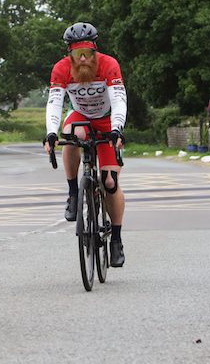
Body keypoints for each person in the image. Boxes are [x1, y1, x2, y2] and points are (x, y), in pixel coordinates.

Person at [43, 21, 128, 267]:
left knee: (110, 182)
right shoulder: (61, 69)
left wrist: (117, 128)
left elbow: (119, 99)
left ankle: (117, 240)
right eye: (76, 54)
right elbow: (55, 103)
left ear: (95, 50)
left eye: (87, 53)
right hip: (79, 115)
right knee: (71, 136)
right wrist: (51, 132)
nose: (82, 59)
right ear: (68, 53)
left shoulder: (109, 64)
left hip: (106, 119)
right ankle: (73, 192)